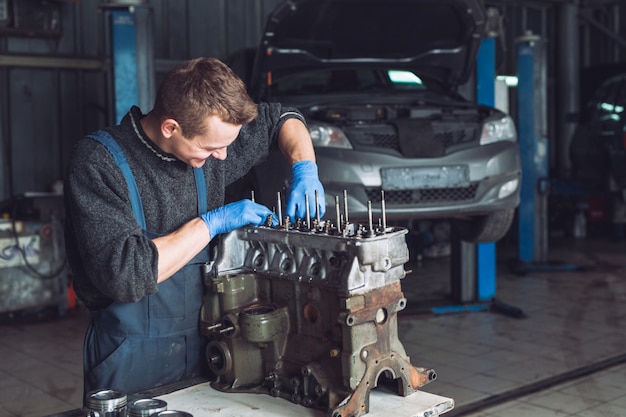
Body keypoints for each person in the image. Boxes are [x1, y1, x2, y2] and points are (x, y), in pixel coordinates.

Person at [64, 57, 325, 400]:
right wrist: (211, 222)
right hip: (130, 359)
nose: (223, 156)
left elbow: (282, 119)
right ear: (170, 127)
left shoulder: (213, 138)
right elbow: (126, 274)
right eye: (210, 148)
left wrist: (304, 166)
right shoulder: (99, 164)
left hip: (209, 348)